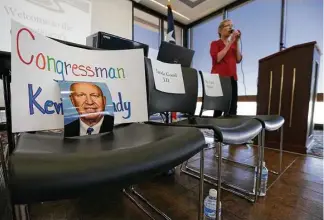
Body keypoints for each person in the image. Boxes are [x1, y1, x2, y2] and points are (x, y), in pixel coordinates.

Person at [210, 19, 242, 117]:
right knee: (219, 107)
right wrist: (230, 43)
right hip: (220, 79)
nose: (230, 28)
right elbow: (217, 58)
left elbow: (238, 59)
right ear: (220, 30)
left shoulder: (233, 44)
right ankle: (216, 131)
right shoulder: (215, 44)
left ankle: (230, 131)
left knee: (232, 108)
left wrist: (236, 42)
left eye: (231, 25)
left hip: (232, 78)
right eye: (227, 25)